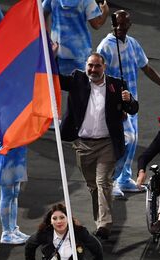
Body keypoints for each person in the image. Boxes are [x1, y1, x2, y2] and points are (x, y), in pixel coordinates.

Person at [59, 53, 139, 239]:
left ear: (104, 67)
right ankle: (100, 221)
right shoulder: (77, 79)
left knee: (103, 183)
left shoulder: (117, 85)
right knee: (93, 186)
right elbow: (55, 78)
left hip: (107, 144)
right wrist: (51, 55)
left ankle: (104, 225)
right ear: (86, 66)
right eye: (90, 65)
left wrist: (129, 100)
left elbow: (133, 109)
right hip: (83, 145)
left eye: (97, 66)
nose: (93, 70)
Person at [96, 10, 160, 196]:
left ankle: (124, 178)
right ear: (112, 25)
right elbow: (96, 75)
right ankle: (110, 181)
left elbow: (147, 69)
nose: (120, 28)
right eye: (116, 24)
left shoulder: (133, 44)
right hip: (115, 104)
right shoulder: (105, 47)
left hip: (131, 102)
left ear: (129, 24)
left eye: (123, 24)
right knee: (126, 139)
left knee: (133, 139)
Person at [43, 0, 109, 74]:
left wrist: (47, 37)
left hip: (57, 51)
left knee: (59, 83)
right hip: (80, 53)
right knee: (80, 83)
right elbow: (97, 24)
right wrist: (105, 11)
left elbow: (41, 15)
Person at [0, 140, 30, 244]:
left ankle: (13, 229)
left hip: (17, 151)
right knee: (7, 195)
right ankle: (6, 233)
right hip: (6, 152)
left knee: (15, 193)